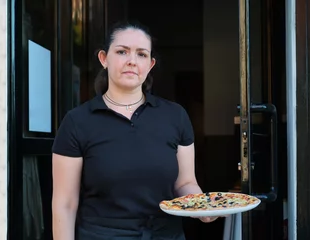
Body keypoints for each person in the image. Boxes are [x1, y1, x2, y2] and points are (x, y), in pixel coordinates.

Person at [52, 20, 219, 240]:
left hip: (165, 235)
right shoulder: (77, 122)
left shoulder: (175, 116)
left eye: (141, 54)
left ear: (150, 65)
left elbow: (185, 183)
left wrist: (202, 207)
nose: (132, 61)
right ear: (104, 59)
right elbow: (65, 203)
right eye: (122, 52)